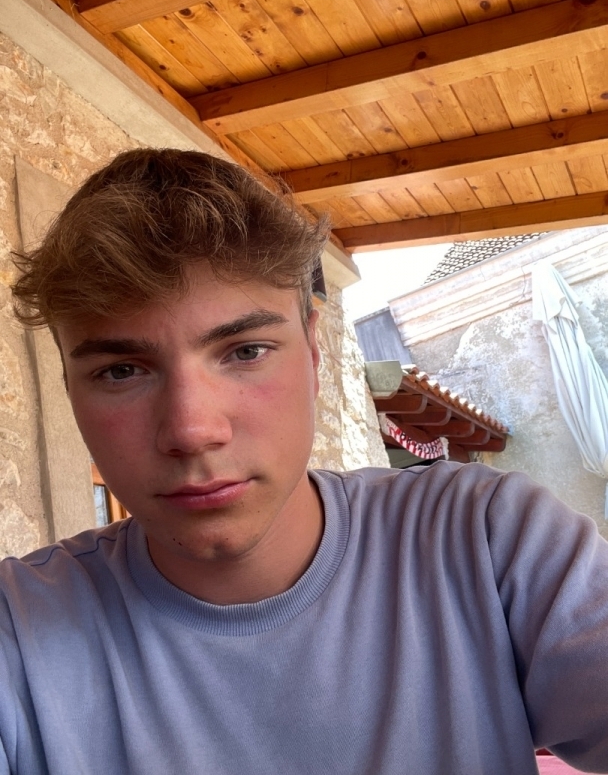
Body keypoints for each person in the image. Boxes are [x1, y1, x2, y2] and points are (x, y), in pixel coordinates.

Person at [1, 148, 608, 775]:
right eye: (121, 371)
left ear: (315, 352)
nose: (192, 431)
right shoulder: (17, 633)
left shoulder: (488, 540)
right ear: (70, 388)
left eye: (246, 351)